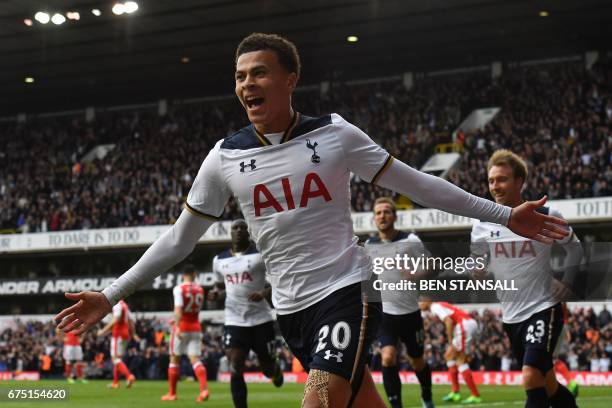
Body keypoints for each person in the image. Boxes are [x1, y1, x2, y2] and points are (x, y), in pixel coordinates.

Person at [56, 33, 569, 408]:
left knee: (319, 401)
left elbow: (419, 183)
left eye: (258, 72)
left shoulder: (335, 134)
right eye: (239, 76)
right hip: (290, 310)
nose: (246, 84)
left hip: (347, 289)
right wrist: (112, 293)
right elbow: (178, 240)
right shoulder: (222, 158)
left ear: (290, 79)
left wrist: (505, 214)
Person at [470, 149, 582, 408]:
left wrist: (567, 281)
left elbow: (574, 247)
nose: (495, 186)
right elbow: (478, 262)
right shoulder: (481, 225)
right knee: (548, 384)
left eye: (502, 179)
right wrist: (476, 270)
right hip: (511, 316)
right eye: (491, 181)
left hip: (543, 308)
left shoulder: (545, 214)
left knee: (531, 377)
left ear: (520, 181)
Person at [364, 197, 433, 408]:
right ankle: (396, 405)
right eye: (378, 213)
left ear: (394, 216)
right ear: (374, 219)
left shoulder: (410, 241)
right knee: (387, 358)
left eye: (386, 212)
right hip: (385, 315)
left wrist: (416, 274)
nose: (382, 216)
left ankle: (426, 395)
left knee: (417, 361)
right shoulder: (369, 245)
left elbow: (431, 266)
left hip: (410, 312)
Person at [209, 219, 283, 408]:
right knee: (235, 365)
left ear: (249, 232)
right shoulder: (219, 260)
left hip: (261, 320)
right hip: (234, 320)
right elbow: (220, 285)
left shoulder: (260, 255)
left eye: (243, 227)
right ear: (230, 232)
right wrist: (216, 293)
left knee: (266, 368)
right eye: (236, 227)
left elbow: (277, 280)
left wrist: (264, 293)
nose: (240, 230)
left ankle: (274, 371)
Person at [161, 265, 210, 402]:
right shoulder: (200, 289)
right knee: (195, 360)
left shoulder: (179, 289)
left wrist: (176, 325)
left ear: (183, 275)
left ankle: (172, 394)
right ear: (195, 274)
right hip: (196, 327)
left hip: (182, 327)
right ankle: (204, 390)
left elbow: (178, 310)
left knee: (174, 359)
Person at [418, 300, 481, 404]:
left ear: (427, 302)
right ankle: (455, 392)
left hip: (463, 325)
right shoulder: (439, 305)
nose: (419, 305)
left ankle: (475, 395)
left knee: (461, 360)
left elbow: (449, 321)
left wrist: (450, 340)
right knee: (449, 356)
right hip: (467, 324)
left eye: (420, 302)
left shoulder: (435, 307)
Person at [97, 299, 136, 389]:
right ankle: (115, 382)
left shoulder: (117, 305)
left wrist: (103, 331)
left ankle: (129, 376)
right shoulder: (125, 306)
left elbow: (116, 319)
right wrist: (133, 334)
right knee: (118, 359)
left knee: (115, 359)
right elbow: (131, 322)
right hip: (125, 335)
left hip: (118, 335)